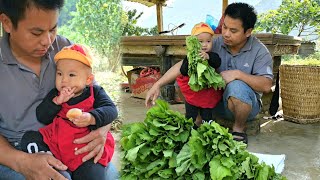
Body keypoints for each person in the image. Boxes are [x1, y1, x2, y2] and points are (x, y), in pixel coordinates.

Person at [0, 0, 119, 179]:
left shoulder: (65, 48)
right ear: (7, 23)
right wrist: (22, 161)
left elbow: (98, 96)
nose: (48, 41)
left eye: (53, 29)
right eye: (36, 32)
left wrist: (101, 128)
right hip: (17, 150)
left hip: (75, 141)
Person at [146, 2, 273, 144]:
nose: (226, 33)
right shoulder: (214, 42)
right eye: (224, 27)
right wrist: (158, 84)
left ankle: (238, 127)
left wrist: (238, 74)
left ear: (248, 32)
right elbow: (183, 64)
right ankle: (198, 119)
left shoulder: (260, 51)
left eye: (233, 30)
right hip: (213, 103)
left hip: (245, 107)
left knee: (236, 86)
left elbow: (266, 85)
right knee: (184, 79)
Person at [20, 44, 117, 180]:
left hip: (84, 149)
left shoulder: (95, 92)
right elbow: (41, 116)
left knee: (94, 173)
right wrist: (56, 102)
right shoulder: (56, 94)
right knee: (29, 138)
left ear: (88, 79)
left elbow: (111, 110)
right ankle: (53, 165)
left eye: (71, 75)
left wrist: (92, 118)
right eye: (59, 73)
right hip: (57, 144)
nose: (64, 80)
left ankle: (75, 172)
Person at [175, 22, 222, 127]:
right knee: (191, 110)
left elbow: (217, 62)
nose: (205, 44)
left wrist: (208, 57)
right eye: (201, 42)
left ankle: (207, 125)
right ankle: (190, 126)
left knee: (207, 110)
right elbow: (183, 71)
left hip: (206, 92)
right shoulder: (189, 57)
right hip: (193, 91)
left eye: (208, 41)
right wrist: (190, 60)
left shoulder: (212, 55)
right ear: (194, 43)